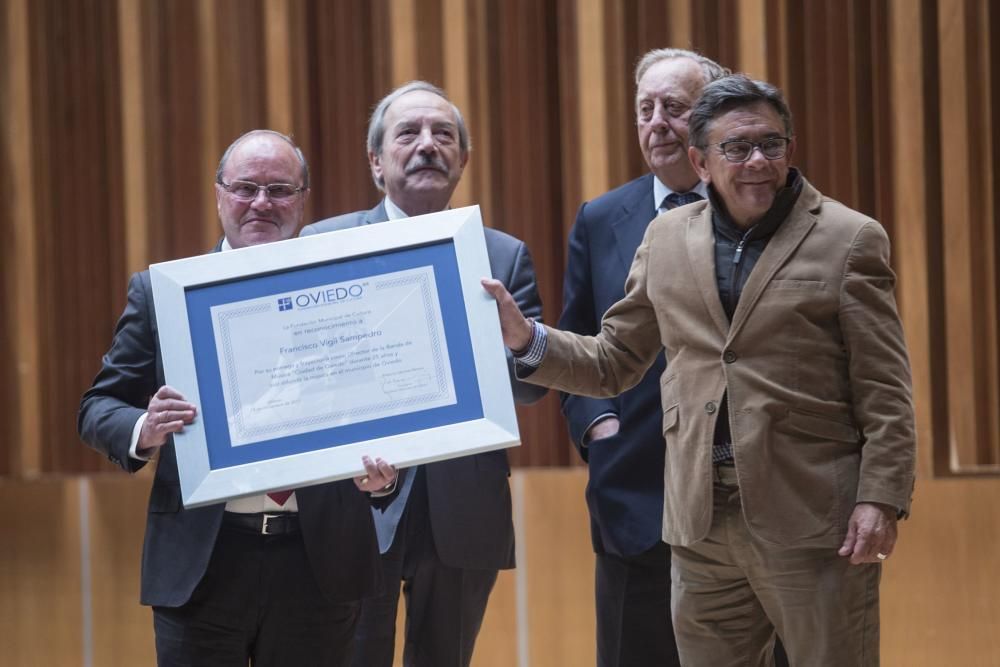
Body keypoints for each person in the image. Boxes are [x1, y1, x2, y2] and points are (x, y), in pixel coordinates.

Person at [484, 75, 915, 666]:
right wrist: (527, 339)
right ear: (700, 161)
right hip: (699, 522)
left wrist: (881, 499)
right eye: (736, 149)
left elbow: (885, 389)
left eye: (772, 143)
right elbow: (614, 360)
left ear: (791, 148)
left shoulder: (848, 238)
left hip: (813, 518)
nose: (758, 160)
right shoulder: (663, 238)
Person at [78, 130, 398, 667]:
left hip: (320, 561)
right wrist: (146, 429)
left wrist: (387, 474)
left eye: (279, 189)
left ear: (303, 198)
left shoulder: (350, 292)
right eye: (246, 187)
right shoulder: (164, 293)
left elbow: (391, 407)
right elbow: (98, 408)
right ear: (219, 193)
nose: (261, 203)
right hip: (204, 562)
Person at [301, 81, 546, 667]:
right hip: (350, 502)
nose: (427, 145)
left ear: (463, 159)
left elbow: (531, 385)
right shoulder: (320, 245)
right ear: (376, 161)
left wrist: (519, 344)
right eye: (408, 133)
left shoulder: (503, 254)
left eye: (444, 135)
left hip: (462, 510)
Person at [558, 48, 727, 667]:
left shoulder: (756, 209)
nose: (657, 122)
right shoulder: (602, 218)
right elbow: (577, 336)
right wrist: (596, 426)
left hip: (742, 490)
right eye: (645, 109)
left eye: (675, 108)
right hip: (633, 489)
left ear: (710, 117)